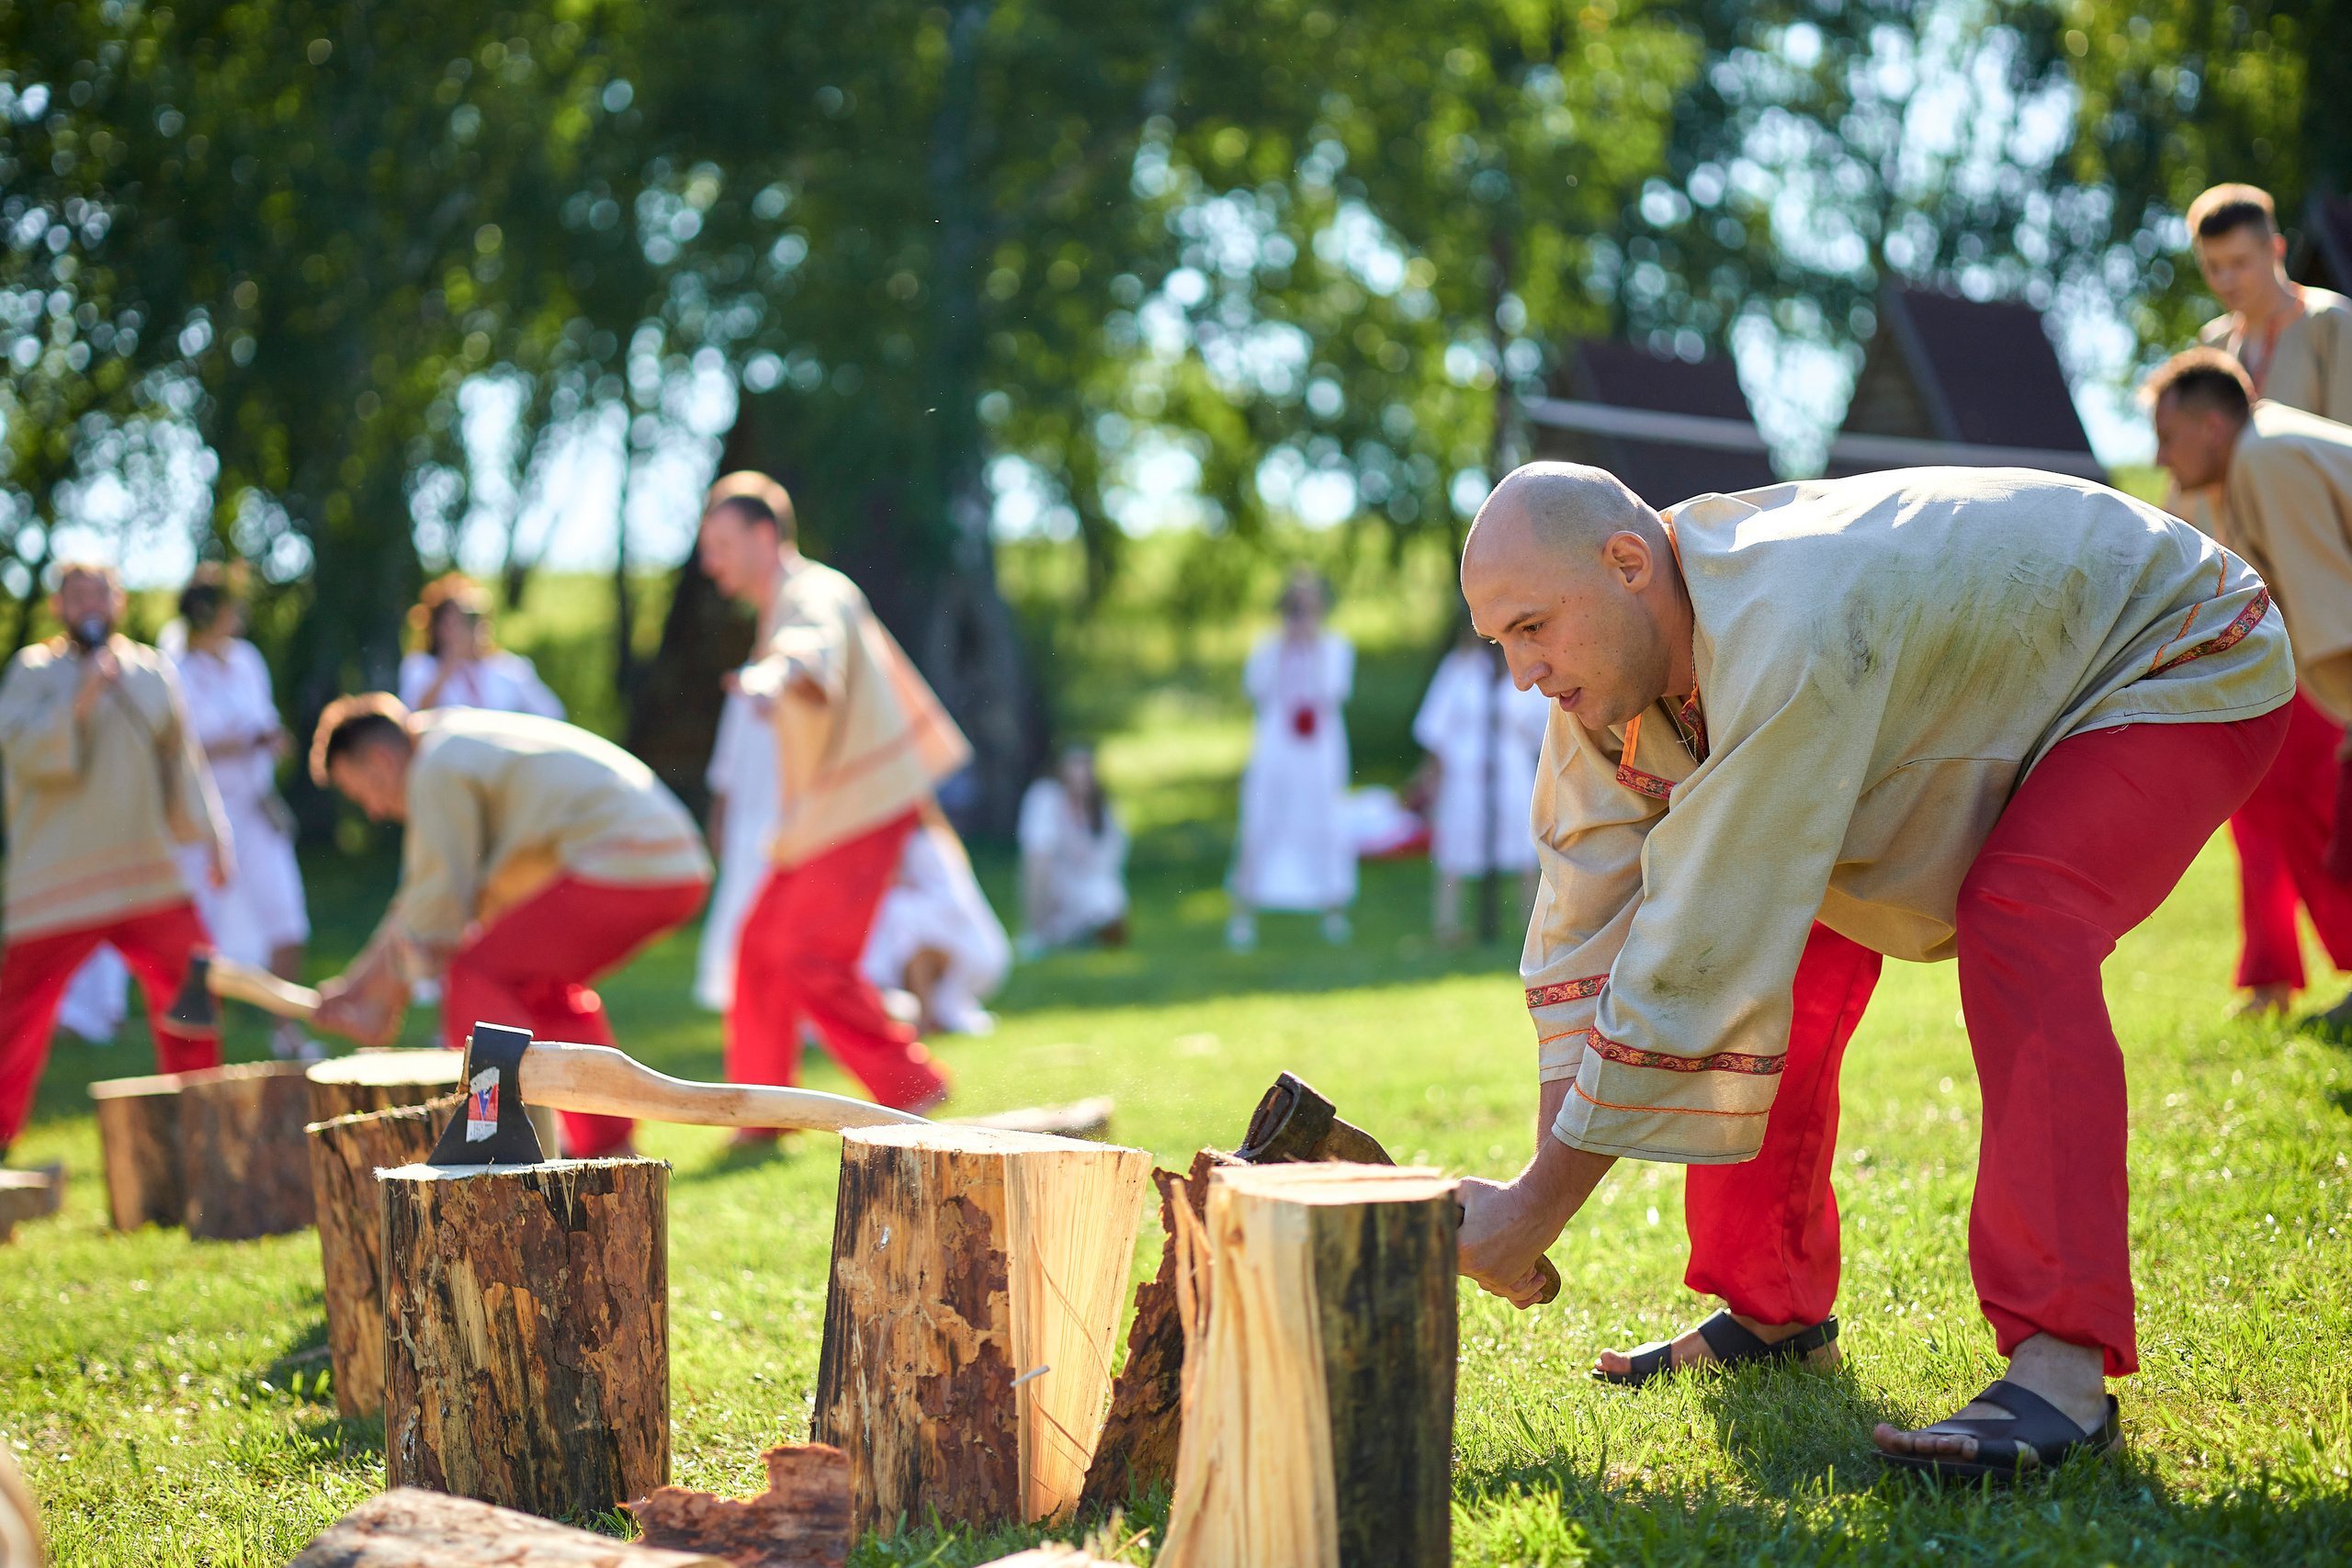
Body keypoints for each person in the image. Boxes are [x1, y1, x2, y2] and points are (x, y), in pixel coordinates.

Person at [1452, 462, 2290, 1481]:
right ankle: (1772, 1310)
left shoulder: (1786, 622)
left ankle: (2061, 1367)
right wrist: (1530, 1203)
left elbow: (1698, 957)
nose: (1522, 673)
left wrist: (1533, 1210)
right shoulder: (1605, 690)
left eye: (1533, 626)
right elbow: (1583, 946)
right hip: (1970, 705)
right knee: (1782, 935)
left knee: (2020, 918)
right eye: (1500, 641)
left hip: (2174, 649)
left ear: (1628, 563)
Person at [306, 694, 709, 1158]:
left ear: (380, 758)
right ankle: (607, 1145)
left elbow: (438, 910)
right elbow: (423, 900)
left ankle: (492, 1143)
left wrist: (382, 1001)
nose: (374, 810)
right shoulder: (447, 746)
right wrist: (358, 986)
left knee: (475, 976)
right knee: (533, 983)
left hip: (631, 859)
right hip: (668, 859)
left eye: (364, 792)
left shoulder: (436, 769)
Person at [695, 471, 969, 1135]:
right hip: (832, 811)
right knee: (759, 945)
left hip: (866, 801)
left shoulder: (813, 589)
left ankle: (912, 1086)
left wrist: (773, 674)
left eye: (724, 543)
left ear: (766, 535)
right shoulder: (781, 599)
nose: (712, 563)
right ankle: (765, 1111)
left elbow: (809, 648)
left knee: (806, 954)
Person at [2177, 186, 2352, 1017]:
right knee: (2245, 792)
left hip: (2323, 588)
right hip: (2245, 603)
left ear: (2276, 250)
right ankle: (2271, 972)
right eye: (2213, 267)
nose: (2228, 280)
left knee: (2314, 788)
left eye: (2241, 262)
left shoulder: (2331, 325)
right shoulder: (2215, 347)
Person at [0, 564, 231, 1162]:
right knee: (14, 1015)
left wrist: (214, 837)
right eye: (75, 594)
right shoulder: (32, 670)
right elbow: (20, 753)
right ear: (58, 606)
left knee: (195, 980)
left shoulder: (151, 668)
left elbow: (184, 757)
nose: (88, 603)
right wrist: (82, 697)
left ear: (119, 601)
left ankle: (198, 1110)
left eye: (98, 592)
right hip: (55, 879)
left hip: (144, 869)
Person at [2150, 348, 2352, 1032]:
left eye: (2167, 437)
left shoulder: (2265, 458)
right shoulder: (2259, 454)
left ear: (2210, 426)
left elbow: (2330, 616)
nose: (2158, 458)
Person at [166, 566, 316, 1060]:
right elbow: (180, 748)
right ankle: (202, 1046)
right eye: (232, 603)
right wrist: (246, 740)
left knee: (286, 918)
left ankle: (287, 1032)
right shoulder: (175, 668)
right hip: (201, 818)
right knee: (202, 937)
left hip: (256, 810)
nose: (241, 613)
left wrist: (271, 741)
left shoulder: (248, 660)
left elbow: (264, 721)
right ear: (209, 610)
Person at [1228, 568, 1354, 951]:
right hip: (1277, 746)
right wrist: (1286, 645)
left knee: (1325, 820)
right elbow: (1257, 688)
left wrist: (1311, 645)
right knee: (1260, 817)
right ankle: (1242, 912)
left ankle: (1332, 908)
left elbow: (1333, 690)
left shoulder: (1335, 646)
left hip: (1318, 750)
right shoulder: (1267, 646)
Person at [1412, 625, 1553, 942]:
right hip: (1466, 770)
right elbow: (1435, 724)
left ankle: (1531, 928)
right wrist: (1432, 775)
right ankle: (1446, 925)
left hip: (1512, 767)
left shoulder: (1525, 667)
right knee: (1456, 844)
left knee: (1524, 844)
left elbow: (1541, 726)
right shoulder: (1459, 667)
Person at [862, 806, 1012, 1036]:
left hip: (964, 943)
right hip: (941, 940)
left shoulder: (929, 843)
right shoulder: (905, 845)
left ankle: (925, 1015)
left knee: (900, 910)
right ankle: (919, 1011)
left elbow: (954, 904)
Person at [693, 671, 781, 1013]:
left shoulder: (805, 685)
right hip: (748, 827)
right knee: (742, 917)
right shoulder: (742, 691)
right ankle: (747, 1004)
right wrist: (717, 822)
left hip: (792, 824)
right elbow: (725, 766)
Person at [396, 572, 564, 720]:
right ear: (436, 627)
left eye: (467, 621)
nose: (459, 630)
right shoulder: (421, 666)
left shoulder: (510, 669)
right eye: (450, 623)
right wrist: (448, 665)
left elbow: (552, 713)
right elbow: (413, 717)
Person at [1017, 745, 1129, 955]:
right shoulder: (1046, 798)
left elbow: (1111, 859)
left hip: (1091, 883)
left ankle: (1074, 934)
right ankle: (1036, 931)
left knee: (1106, 907)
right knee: (1040, 866)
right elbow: (1038, 849)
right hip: (1055, 879)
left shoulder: (1105, 809)